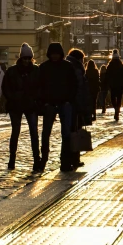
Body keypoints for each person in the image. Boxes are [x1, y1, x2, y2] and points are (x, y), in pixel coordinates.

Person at [2, 43, 42, 171]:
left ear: (31, 58)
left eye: (28, 58)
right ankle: (11, 160)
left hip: (30, 105)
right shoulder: (12, 71)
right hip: (16, 105)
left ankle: (37, 159)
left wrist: (35, 99)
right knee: (15, 132)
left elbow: (40, 86)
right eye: (24, 58)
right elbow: (5, 87)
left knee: (33, 133)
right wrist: (13, 97)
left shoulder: (36, 70)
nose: (26, 60)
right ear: (20, 58)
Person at [38, 42, 78, 172]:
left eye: (57, 54)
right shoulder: (44, 67)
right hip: (50, 104)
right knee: (46, 133)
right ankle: (43, 159)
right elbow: (39, 86)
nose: (54, 56)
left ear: (60, 54)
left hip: (64, 103)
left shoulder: (67, 67)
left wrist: (69, 100)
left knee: (66, 134)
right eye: (53, 54)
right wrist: (44, 102)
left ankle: (65, 161)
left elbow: (74, 85)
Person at [67, 48, 93, 169]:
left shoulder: (69, 66)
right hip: (76, 106)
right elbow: (80, 90)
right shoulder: (77, 69)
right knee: (75, 133)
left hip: (70, 105)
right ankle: (74, 159)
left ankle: (70, 159)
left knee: (70, 132)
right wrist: (83, 108)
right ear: (79, 59)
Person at [105, 49, 123, 121]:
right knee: (119, 99)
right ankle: (117, 110)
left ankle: (116, 109)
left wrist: (107, 84)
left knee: (113, 98)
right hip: (120, 85)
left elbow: (107, 76)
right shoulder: (121, 66)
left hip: (113, 85)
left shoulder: (110, 65)